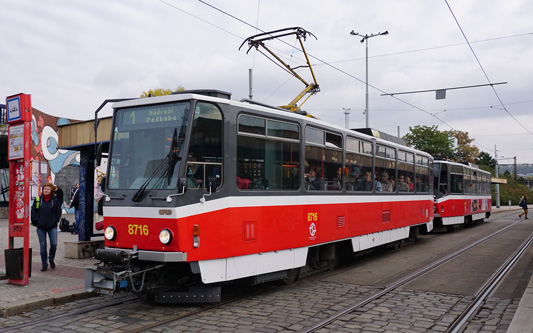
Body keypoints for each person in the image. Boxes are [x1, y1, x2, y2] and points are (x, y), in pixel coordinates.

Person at [31, 182, 62, 271]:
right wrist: (37, 222)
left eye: (48, 189)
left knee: (54, 244)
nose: (46, 190)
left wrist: (55, 220)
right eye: (45, 189)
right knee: (43, 245)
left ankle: (51, 259)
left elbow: (58, 212)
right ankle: (44, 263)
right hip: (41, 227)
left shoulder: (55, 200)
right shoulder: (38, 200)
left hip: (52, 226)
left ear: (51, 190)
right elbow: (33, 212)